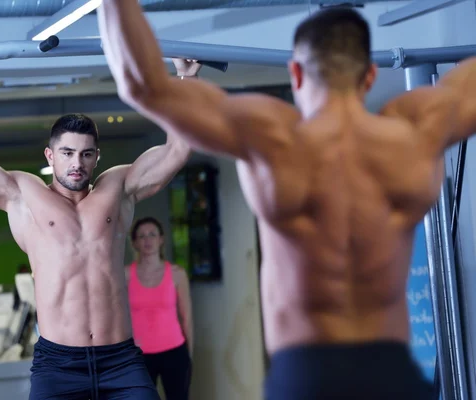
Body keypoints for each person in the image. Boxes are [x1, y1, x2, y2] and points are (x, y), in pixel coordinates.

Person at [97, 3, 476, 399]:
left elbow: (141, 85)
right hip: (391, 371)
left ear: (295, 73)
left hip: (306, 374)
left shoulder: (273, 139)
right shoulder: (416, 132)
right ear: (370, 75)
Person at [0, 60, 194, 400]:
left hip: (121, 360)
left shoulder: (117, 189)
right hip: (58, 365)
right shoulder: (23, 194)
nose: (76, 163)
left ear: (96, 157)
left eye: (85, 154)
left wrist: (186, 78)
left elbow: (177, 150)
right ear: (50, 155)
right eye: (67, 153)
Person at [126, 217, 193, 400]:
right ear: (134, 243)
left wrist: (189, 355)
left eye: (152, 235)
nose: (148, 240)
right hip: (139, 356)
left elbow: (186, 318)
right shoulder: (125, 275)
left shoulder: (178, 274)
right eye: (142, 236)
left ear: (161, 239)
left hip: (174, 352)